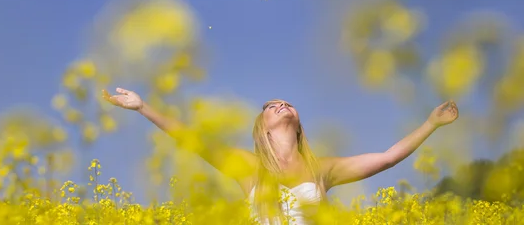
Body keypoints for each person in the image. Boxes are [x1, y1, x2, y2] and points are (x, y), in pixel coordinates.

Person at [102, 88, 459, 224]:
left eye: (287, 102)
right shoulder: (248, 166)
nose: (282, 104)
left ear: (298, 123)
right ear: (262, 128)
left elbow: (387, 157)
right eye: (273, 106)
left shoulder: (323, 170)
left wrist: (431, 123)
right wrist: (143, 107)